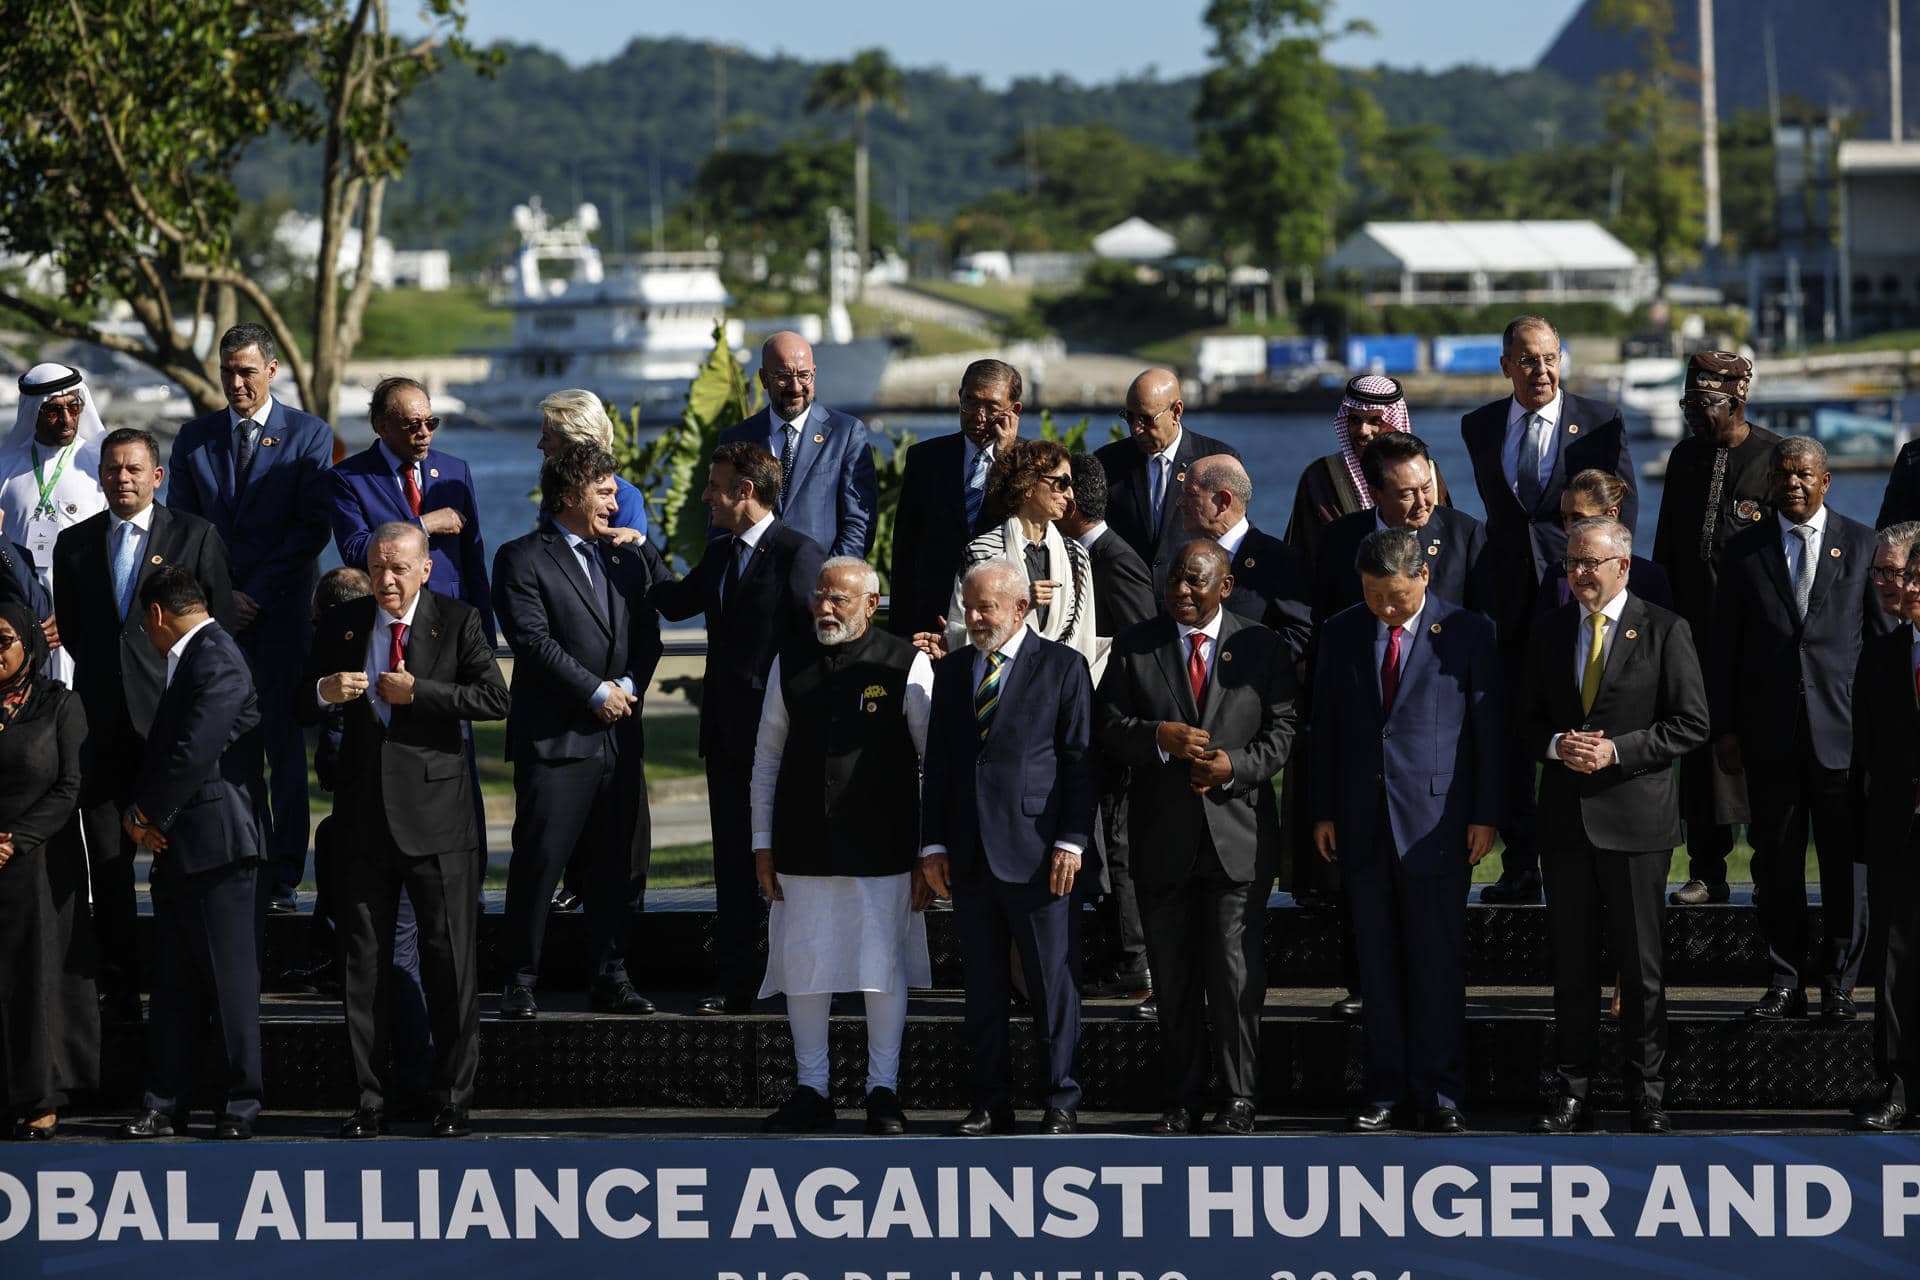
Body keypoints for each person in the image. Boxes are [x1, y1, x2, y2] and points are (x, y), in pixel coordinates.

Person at [303, 522, 510, 1139]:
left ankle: (453, 1098)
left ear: (424, 569)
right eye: (376, 567)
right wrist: (323, 690)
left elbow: (494, 700)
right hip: (364, 822)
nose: (386, 580)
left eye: (398, 568)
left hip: (437, 822)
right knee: (362, 967)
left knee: (449, 964)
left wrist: (421, 692)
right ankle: (370, 1100)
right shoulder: (345, 623)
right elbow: (292, 698)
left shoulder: (459, 619)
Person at [1098, 540, 1297, 1134]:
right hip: (1162, 843)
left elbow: (1284, 729)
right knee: (1175, 979)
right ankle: (1181, 1099)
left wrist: (1235, 766)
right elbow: (1105, 726)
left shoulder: (1260, 646)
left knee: (1234, 977)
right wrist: (1158, 737)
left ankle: (1238, 1099)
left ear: (1225, 587)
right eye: (1174, 583)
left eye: (1194, 582)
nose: (1180, 593)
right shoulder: (1138, 646)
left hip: (1238, 840)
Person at [1311, 529, 1503, 1133]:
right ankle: (1386, 1089)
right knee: (1378, 967)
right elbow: (1326, 728)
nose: (1385, 608)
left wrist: (1486, 815)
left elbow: (1488, 733)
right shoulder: (1341, 631)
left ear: (1424, 576)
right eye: (1373, 596)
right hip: (1363, 824)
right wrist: (1322, 811)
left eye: (1395, 596)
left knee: (1437, 964)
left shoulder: (1471, 633)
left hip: (1438, 826)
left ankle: (1441, 1092)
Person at [1521, 517, 1708, 1135]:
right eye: (1571, 563)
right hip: (1567, 826)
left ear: (1621, 566)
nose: (1577, 574)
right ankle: (1572, 1091)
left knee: (1641, 969)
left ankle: (1647, 1091)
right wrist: (1555, 746)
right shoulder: (1548, 632)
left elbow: (1690, 724)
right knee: (1571, 967)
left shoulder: (1664, 629)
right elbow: (1521, 722)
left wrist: (1617, 752)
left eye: (1589, 564)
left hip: (1636, 826)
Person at [52, 427, 233, 1024]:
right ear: (99, 476)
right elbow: (77, 633)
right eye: (111, 469)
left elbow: (216, 628)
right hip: (100, 732)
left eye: (134, 469)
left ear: (157, 476)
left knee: (181, 863)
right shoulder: (74, 545)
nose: (122, 478)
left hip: (171, 730)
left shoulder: (195, 535)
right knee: (107, 867)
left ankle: (192, 991)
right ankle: (121, 990)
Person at [750, 558, 934, 1134]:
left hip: (884, 844)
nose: (825, 609)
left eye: (840, 600)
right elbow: (767, 759)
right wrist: (761, 844)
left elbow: (933, 764)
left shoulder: (908, 662)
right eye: (821, 597)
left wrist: (931, 851)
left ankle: (883, 1092)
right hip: (802, 843)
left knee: (881, 970)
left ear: (870, 604)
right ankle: (813, 1090)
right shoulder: (790, 659)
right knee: (805, 970)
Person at [1461, 314, 1637, 906]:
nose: (1541, 370)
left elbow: (1622, 513)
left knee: (1584, 722)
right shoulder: (1478, 426)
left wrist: (1606, 590)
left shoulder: (1602, 421)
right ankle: (1519, 866)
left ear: (1562, 358)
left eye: (1550, 358)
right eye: (1528, 360)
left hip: (1579, 596)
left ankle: (1591, 860)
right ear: (1506, 365)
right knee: (1514, 732)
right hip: (1507, 603)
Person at [493, 445, 673, 1020]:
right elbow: (533, 641)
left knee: (614, 865)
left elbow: (651, 637)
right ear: (570, 496)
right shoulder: (521, 557)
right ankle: (518, 979)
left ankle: (612, 977)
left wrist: (627, 685)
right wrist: (595, 692)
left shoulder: (626, 557)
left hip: (619, 739)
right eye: (605, 492)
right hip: (557, 740)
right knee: (541, 862)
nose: (617, 502)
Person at [1714, 436, 1887, 1023]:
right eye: (1784, 474)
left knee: (1846, 867)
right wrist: (1728, 730)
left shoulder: (1862, 545)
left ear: (1825, 481)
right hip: (1771, 738)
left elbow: (1882, 646)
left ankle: (1840, 981)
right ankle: (1784, 980)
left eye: (1804, 475)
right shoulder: (1744, 553)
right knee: (1777, 866)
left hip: (1844, 736)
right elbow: (1726, 650)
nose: (1793, 483)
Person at [920, 560, 1096, 1135]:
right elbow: (940, 767)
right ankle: (991, 1101)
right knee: (984, 989)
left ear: (1020, 608)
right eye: (969, 607)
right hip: (970, 856)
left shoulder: (1063, 667)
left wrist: (1071, 841)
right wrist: (934, 844)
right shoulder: (951, 675)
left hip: (1041, 855)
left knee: (1051, 984)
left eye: (985, 607)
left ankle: (1060, 1099)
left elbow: (1079, 761)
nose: (973, 618)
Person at [166, 323, 335, 913]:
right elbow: (183, 526)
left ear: (271, 370)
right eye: (227, 372)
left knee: (285, 750)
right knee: (227, 746)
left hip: (282, 616)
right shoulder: (194, 439)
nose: (236, 383)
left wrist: (254, 593)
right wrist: (223, 594)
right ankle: (242, 863)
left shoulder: (309, 435)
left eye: (246, 371)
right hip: (216, 621)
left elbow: (311, 526)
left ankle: (286, 873)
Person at [654, 442, 825, 1014]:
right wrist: (636, 551)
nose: (706, 495)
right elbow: (677, 602)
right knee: (731, 861)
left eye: (714, 485)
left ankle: (800, 978)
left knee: (792, 863)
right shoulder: (721, 550)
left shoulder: (797, 553)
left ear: (744, 491)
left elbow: (814, 649)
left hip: (781, 743)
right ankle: (737, 983)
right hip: (725, 738)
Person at [115, 567, 267, 1141]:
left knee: (230, 985)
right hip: (182, 846)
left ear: (157, 616)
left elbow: (193, 750)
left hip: (220, 846)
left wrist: (144, 814)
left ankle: (242, 1104)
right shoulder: (198, 655)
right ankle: (164, 1102)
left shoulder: (217, 656)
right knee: (174, 985)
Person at [1650, 351, 1776, 906]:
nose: (1697, 416)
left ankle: (1773, 869)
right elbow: (1665, 547)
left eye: (1707, 406)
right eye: (1689, 405)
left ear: (1738, 399)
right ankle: (1708, 870)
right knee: (1698, 754)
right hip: (1692, 634)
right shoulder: (1684, 458)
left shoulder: (1774, 458)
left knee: (1760, 751)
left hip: (1757, 639)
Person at [1058, 452, 1154, 1002]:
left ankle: (1135, 958)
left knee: (1119, 838)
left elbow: (1138, 646)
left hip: (1116, 727)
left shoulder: (1112, 560)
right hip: (1102, 725)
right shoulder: (1088, 556)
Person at [0, 600, 88, 1140]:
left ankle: (40, 1098)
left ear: (30, 644)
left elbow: (71, 786)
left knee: (34, 980)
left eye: (4, 639)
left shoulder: (59, 704)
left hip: (37, 865)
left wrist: (15, 842)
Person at [326, 377, 495, 641]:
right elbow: (355, 550)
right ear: (381, 426)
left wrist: (486, 635)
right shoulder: (348, 478)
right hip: (387, 621)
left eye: (431, 422)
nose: (425, 432)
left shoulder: (455, 470)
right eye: (413, 424)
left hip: (450, 618)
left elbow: (473, 560)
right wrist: (424, 525)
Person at [1850, 556, 1920, 1130]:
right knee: (1894, 961)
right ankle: (1897, 1086)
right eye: (1908, 577)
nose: (1910, 588)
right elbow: (1864, 753)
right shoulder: (1882, 654)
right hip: (1898, 830)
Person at [932, 438, 1100, 674]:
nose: (1070, 494)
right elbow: (962, 629)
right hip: (998, 683)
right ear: (1028, 485)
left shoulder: (1077, 557)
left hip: (1061, 685)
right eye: (1062, 483)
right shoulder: (983, 553)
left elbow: (1084, 639)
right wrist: (1019, 605)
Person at [888, 359, 1022, 640]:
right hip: (932, 617)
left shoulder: (1031, 464)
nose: (978, 415)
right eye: (970, 402)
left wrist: (1005, 459)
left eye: (992, 407)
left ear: (1014, 410)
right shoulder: (925, 459)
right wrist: (899, 633)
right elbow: (905, 549)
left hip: (1002, 614)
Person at [718, 331, 877, 558]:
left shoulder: (846, 434)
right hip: (755, 587)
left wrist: (827, 579)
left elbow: (859, 523)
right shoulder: (737, 439)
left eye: (804, 376)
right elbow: (722, 521)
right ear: (763, 378)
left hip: (821, 585)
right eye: (783, 376)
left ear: (814, 373)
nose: (795, 387)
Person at [0, 363, 109, 686]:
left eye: (74, 407)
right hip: (18, 621)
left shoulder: (100, 464)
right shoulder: (5, 469)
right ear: (32, 411)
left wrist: (77, 612)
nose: (66, 419)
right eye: (53, 411)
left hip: (87, 613)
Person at [1314, 432, 1494, 624]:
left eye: (1426, 488)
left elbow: (1485, 621)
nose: (1422, 502)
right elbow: (1324, 618)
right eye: (1407, 494)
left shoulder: (1464, 534)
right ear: (1375, 494)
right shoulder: (1338, 539)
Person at [1284, 374, 1451, 567]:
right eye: (1355, 420)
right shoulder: (1320, 476)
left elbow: (1447, 544)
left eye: (1375, 421)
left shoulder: (1427, 472)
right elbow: (1302, 556)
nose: (1363, 430)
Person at [1095, 369, 1241, 587]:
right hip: (1127, 602)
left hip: (1194, 597)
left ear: (1176, 411)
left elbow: (1233, 535)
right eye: (1129, 417)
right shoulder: (1107, 462)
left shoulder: (1218, 459)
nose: (1136, 428)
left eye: (1146, 419)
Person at [1175, 454, 1312, 664]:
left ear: (1223, 501)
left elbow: (1299, 637)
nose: (1180, 502)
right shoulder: (1181, 556)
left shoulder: (1280, 561)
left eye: (1190, 494)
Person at [1538, 470, 1672, 613]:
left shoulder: (1649, 578)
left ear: (1611, 515)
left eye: (1578, 518)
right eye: (1565, 518)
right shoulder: (1556, 577)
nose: (1569, 529)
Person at [536, 388, 648, 538]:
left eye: (547, 437)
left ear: (572, 444)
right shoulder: (557, 490)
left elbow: (631, 557)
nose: (540, 445)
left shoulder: (625, 498)